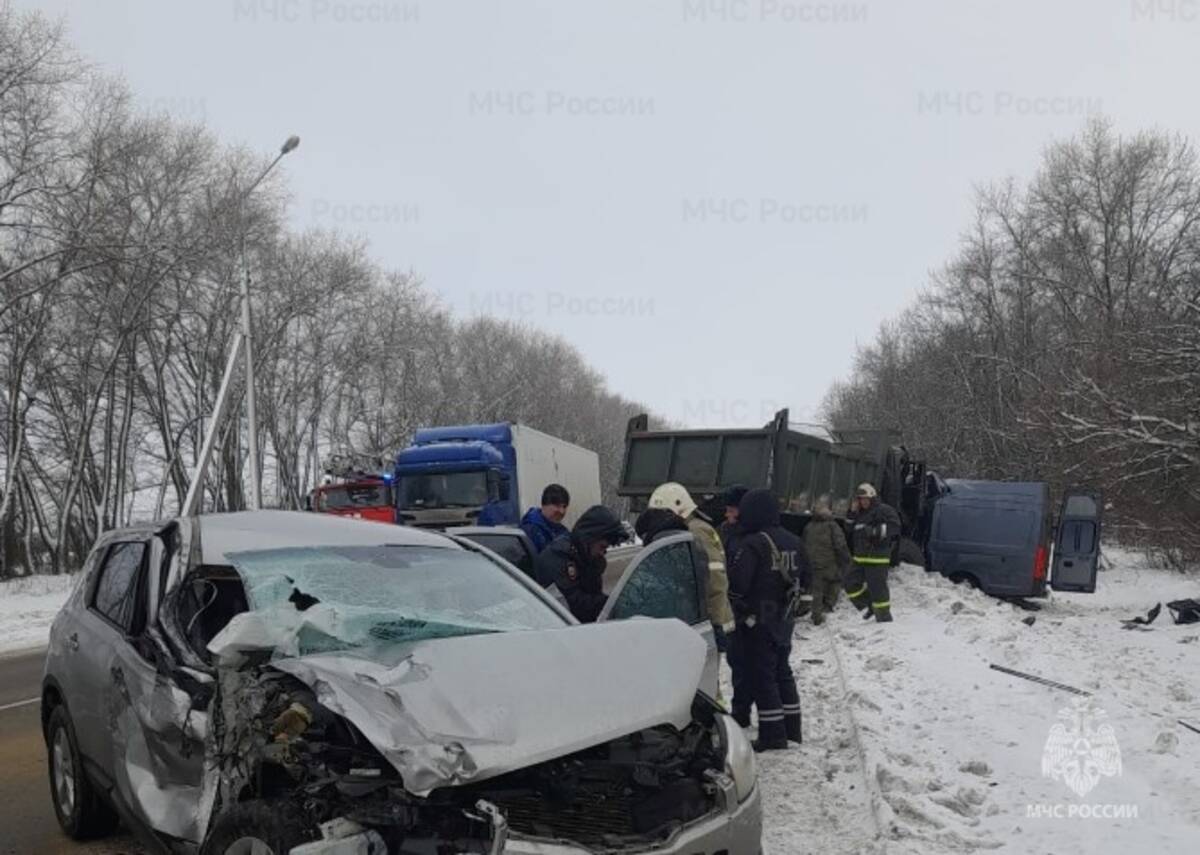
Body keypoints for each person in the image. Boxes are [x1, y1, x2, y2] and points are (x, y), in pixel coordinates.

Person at [728, 488, 808, 751]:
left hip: (757, 620)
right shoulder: (795, 541)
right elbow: (807, 580)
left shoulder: (753, 543)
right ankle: (792, 728)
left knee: (763, 677)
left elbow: (738, 585)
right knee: (783, 673)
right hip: (784, 619)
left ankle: (773, 736)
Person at [648, 483, 736, 638]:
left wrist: (716, 624)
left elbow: (716, 579)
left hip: (707, 623)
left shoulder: (695, 531)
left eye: (662, 512)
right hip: (698, 618)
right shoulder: (689, 529)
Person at [533, 505, 626, 623]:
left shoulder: (587, 558)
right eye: (601, 547)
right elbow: (573, 604)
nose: (602, 553)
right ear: (588, 539)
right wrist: (611, 602)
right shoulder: (558, 557)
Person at [718, 485, 751, 726]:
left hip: (743, 607)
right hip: (727, 605)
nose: (728, 514)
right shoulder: (723, 531)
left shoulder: (749, 536)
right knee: (733, 660)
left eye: (732, 510)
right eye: (727, 509)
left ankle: (742, 713)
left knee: (742, 663)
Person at [844, 483, 902, 623]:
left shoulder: (883, 510)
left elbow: (895, 527)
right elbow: (848, 528)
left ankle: (884, 619)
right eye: (860, 499)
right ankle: (868, 606)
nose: (862, 501)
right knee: (849, 584)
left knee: (878, 589)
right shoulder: (858, 513)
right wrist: (851, 512)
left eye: (865, 498)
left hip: (877, 558)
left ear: (872, 497)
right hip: (860, 558)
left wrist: (876, 531)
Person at [803, 498, 851, 626]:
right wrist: (846, 559)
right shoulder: (832, 526)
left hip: (813, 564)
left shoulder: (809, 527)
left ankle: (816, 614)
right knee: (836, 581)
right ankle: (827, 607)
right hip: (829, 564)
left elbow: (804, 544)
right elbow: (840, 545)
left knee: (816, 590)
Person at [520, 484, 570, 552]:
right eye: (557, 506)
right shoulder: (530, 531)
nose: (562, 511)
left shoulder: (562, 531)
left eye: (564, 506)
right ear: (544, 505)